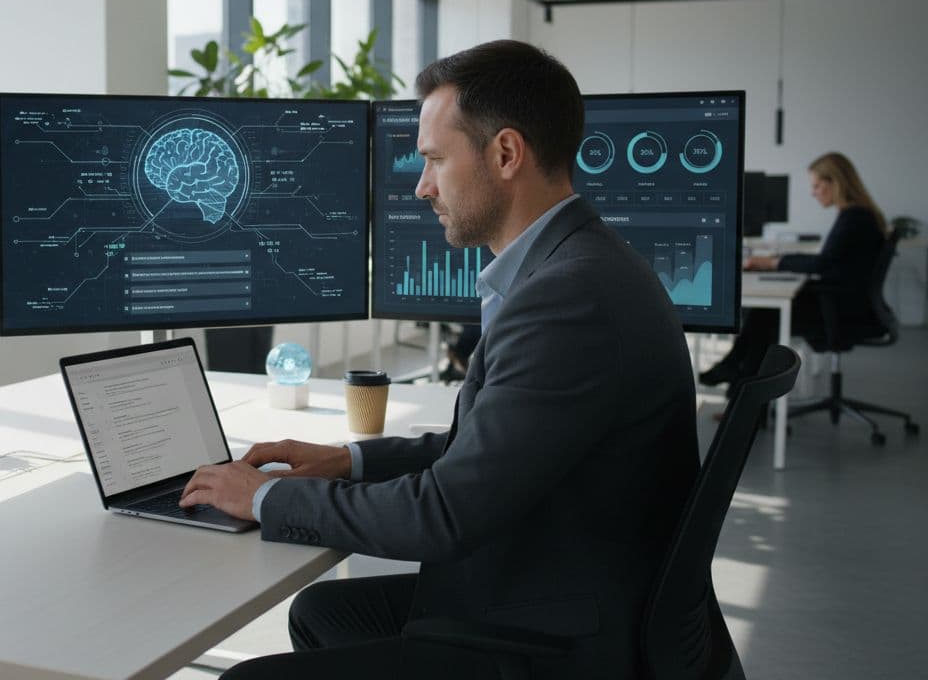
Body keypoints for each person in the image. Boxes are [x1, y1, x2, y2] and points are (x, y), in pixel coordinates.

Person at [179, 39, 699, 679]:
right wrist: (348, 461)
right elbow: (485, 448)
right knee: (323, 612)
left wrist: (265, 498)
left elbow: (444, 513)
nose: (421, 186)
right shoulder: (578, 263)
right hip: (568, 582)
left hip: (560, 637)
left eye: (433, 159)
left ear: (505, 154)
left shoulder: (569, 298)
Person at [699, 152, 888, 390]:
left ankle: (741, 384)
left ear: (835, 183)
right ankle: (741, 385)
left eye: (817, 185)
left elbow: (822, 263)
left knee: (764, 318)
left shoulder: (854, 217)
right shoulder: (859, 215)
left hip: (841, 311)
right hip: (845, 303)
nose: (813, 192)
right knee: (762, 317)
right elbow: (829, 260)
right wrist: (777, 261)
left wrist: (773, 263)